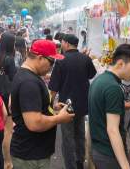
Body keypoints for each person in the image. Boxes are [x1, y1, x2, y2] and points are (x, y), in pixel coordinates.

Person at [10, 39, 74, 168]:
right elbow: (34, 123)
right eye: (52, 62)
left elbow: (14, 106)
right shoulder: (29, 83)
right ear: (40, 58)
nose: (52, 67)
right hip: (31, 154)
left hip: (30, 151)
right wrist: (59, 118)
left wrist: (48, 107)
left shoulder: (24, 75)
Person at [88, 44, 130, 169]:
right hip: (109, 154)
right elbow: (113, 130)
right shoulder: (113, 88)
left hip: (98, 149)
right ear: (120, 64)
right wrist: (125, 166)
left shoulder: (100, 80)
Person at [49, 34, 97, 169]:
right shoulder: (85, 58)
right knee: (80, 134)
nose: (62, 44)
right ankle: (80, 162)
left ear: (67, 43)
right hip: (82, 103)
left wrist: (49, 105)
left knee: (68, 137)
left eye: (62, 42)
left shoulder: (61, 60)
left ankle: (71, 166)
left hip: (66, 105)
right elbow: (91, 74)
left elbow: (53, 87)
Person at [0, 32, 17, 169]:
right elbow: (14, 78)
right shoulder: (9, 59)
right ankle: (7, 161)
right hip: (8, 94)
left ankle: (0, 157)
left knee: (2, 128)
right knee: (8, 130)